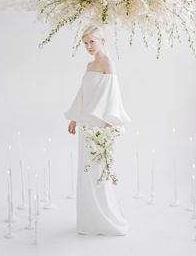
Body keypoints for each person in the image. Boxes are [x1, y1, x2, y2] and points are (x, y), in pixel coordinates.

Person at [64, 25, 132, 235]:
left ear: (103, 40)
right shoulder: (89, 65)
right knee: (86, 171)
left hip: (101, 125)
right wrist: (75, 117)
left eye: (92, 42)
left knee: (99, 170)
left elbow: (113, 95)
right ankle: (89, 221)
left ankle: (106, 220)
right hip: (87, 124)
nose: (88, 46)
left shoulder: (107, 63)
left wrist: (110, 124)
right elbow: (83, 92)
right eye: (85, 43)